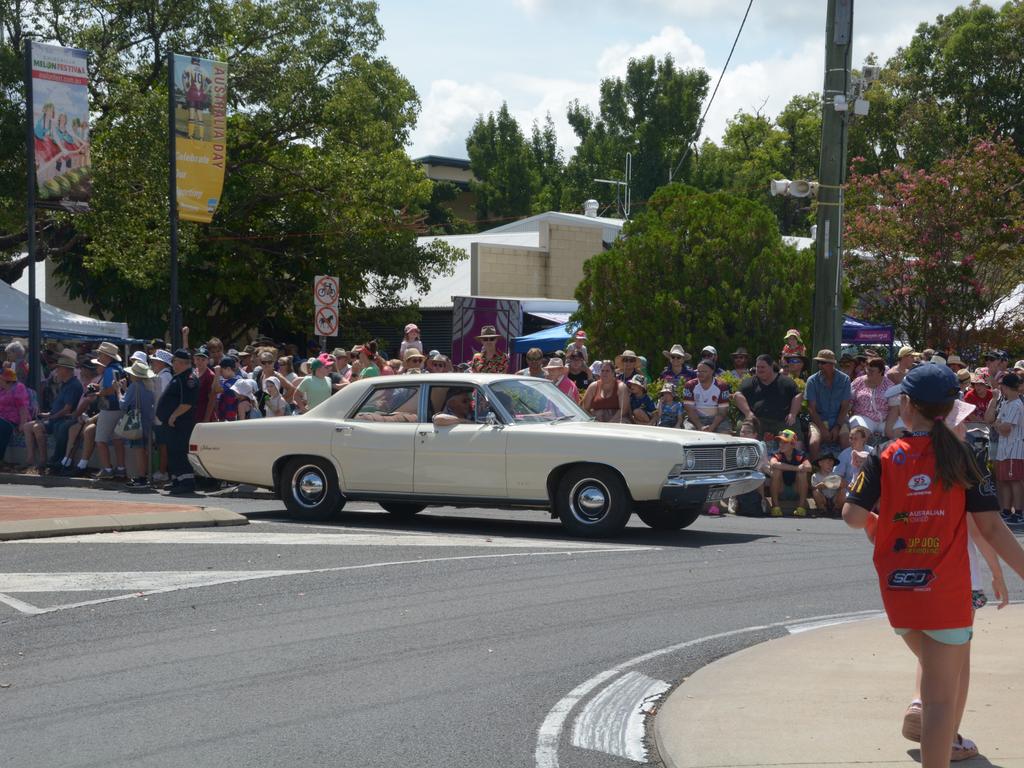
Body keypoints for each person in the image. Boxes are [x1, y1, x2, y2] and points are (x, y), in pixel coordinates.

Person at [843, 363, 1024, 768]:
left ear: (905, 406)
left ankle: (917, 708)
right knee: (941, 697)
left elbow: (852, 517)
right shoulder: (965, 458)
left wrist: (879, 524)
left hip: (898, 593)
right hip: (946, 595)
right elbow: (992, 530)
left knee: (936, 674)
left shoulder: (884, 456)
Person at [20, 350, 82, 473]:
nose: (57, 370)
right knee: (27, 426)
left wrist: (51, 417)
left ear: (67, 370)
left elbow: (67, 409)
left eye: (59, 368)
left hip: (62, 419)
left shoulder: (74, 385)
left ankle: (44, 461)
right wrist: (48, 414)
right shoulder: (65, 384)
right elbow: (59, 407)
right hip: (55, 417)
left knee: (37, 427)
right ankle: (32, 459)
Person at [154, 349, 198, 494]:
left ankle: (186, 482)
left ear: (180, 362)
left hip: (181, 423)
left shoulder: (188, 378)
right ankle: (177, 479)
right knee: (173, 452)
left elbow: (187, 403)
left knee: (180, 451)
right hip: (173, 424)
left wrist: (173, 416)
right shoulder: (179, 377)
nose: (172, 364)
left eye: (174, 362)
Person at [733, 354, 802, 441]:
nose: (759, 370)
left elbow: (797, 395)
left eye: (763, 367)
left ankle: (798, 453)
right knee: (742, 427)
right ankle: (745, 453)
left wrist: (793, 414)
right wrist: (748, 413)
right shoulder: (750, 381)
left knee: (793, 431)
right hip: (757, 420)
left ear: (771, 367)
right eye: (758, 367)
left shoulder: (786, 381)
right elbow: (738, 395)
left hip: (781, 421)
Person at [804, 349, 852, 460]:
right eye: (818, 362)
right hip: (819, 420)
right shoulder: (812, 381)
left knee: (846, 440)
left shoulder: (845, 380)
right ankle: (814, 470)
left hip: (838, 419)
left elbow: (845, 407)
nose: (820, 365)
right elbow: (811, 409)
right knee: (814, 442)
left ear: (832, 364)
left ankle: (847, 471)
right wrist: (822, 428)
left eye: (823, 363)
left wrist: (837, 427)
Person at [990, 372, 1024, 526]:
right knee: (1005, 480)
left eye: (1002, 385)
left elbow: (1005, 428)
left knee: (1015, 481)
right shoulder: (1006, 403)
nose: (1001, 388)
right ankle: (1005, 510)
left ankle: (1018, 512)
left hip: (1014, 449)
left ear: (1007, 387)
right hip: (1005, 449)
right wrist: (998, 425)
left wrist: (998, 425)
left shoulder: (1017, 404)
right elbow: (996, 422)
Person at [91, 341, 127, 480]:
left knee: (100, 440)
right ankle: (121, 469)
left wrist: (98, 393)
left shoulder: (108, 370)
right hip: (120, 408)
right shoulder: (119, 368)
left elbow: (110, 389)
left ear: (107, 356)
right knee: (118, 439)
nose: (99, 357)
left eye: (100, 354)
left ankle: (107, 469)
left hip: (109, 409)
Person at [120, 360, 157, 487]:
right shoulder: (149, 386)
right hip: (147, 421)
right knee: (144, 450)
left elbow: (123, 405)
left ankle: (142, 478)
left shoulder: (135, 386)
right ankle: (144, 476)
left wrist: (117, 391)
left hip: (136, 422)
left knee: (139, 450)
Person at [768, 429, 811, 517]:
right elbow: (774, 463)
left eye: (785, 442)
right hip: (781, 489)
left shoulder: (800, 454)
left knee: (802, 473)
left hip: (796, 489)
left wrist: (800, 468)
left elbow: (809, 467)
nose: (781, 444)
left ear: (793, 444)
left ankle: (801, 508)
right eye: (780, 442)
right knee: (776, 471)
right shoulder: (777, 454)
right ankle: (775, 507)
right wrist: (796, 468)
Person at [683, 359, 731, 433]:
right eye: (698, 371)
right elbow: (689, 410)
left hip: (716, 420)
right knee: (689, 431)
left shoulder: (722, 386)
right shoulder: (690, 385)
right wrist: (700, 427)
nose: (700, 374)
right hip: (696, 419)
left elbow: (722, 412)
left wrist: (712, 427)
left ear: (712, 372)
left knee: (725, 433)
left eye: (704, 371)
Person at [849, 357, 893, 438]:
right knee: (858, 435)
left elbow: (894, 409)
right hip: (863, 417)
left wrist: (889, 428)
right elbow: (849, 401)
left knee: (902, 433)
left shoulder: (889, 385)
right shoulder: (858, 382)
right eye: (867, 370)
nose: (868, 373)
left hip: (885, 420)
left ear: (881, 371)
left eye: (872, 371)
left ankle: (884, 448)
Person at [0, 367, 30, 466]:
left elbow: (23, 407)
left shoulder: (18, 388)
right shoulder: (2, 390)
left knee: (2, 427)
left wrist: (23, 423)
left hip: (11, 420)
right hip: (2, 418)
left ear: (7, 380)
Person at [811, 453, 843, 517]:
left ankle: (836, 508)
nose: (830, 465)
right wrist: (820, 486)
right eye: (828, 463)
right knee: (816, 492)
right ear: (820, 463)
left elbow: (842, 485)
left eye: (832, 464)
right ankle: (822, 508)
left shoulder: (835, 475)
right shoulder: (815, 476)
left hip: (834, 498)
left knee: (843, 491)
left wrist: (838, 484)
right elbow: (813, 488)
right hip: (823, 498)